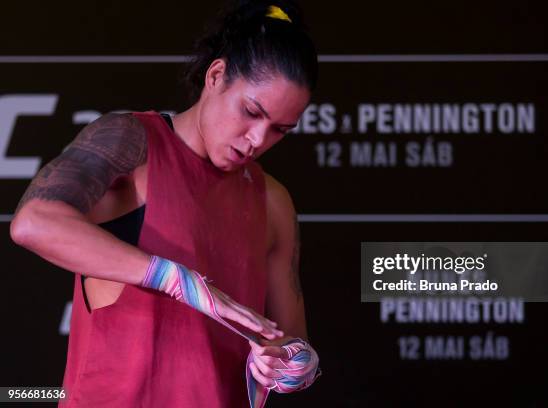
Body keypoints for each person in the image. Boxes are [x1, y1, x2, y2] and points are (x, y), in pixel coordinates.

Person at [9, 1, 320, 406]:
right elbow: (33, 222)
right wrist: (175, 279)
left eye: (280, 130)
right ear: (216, 75)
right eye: (250, 112)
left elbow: (290, 340)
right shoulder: (132, 142)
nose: (258, 139)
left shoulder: (274, 201)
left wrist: (291, 364)